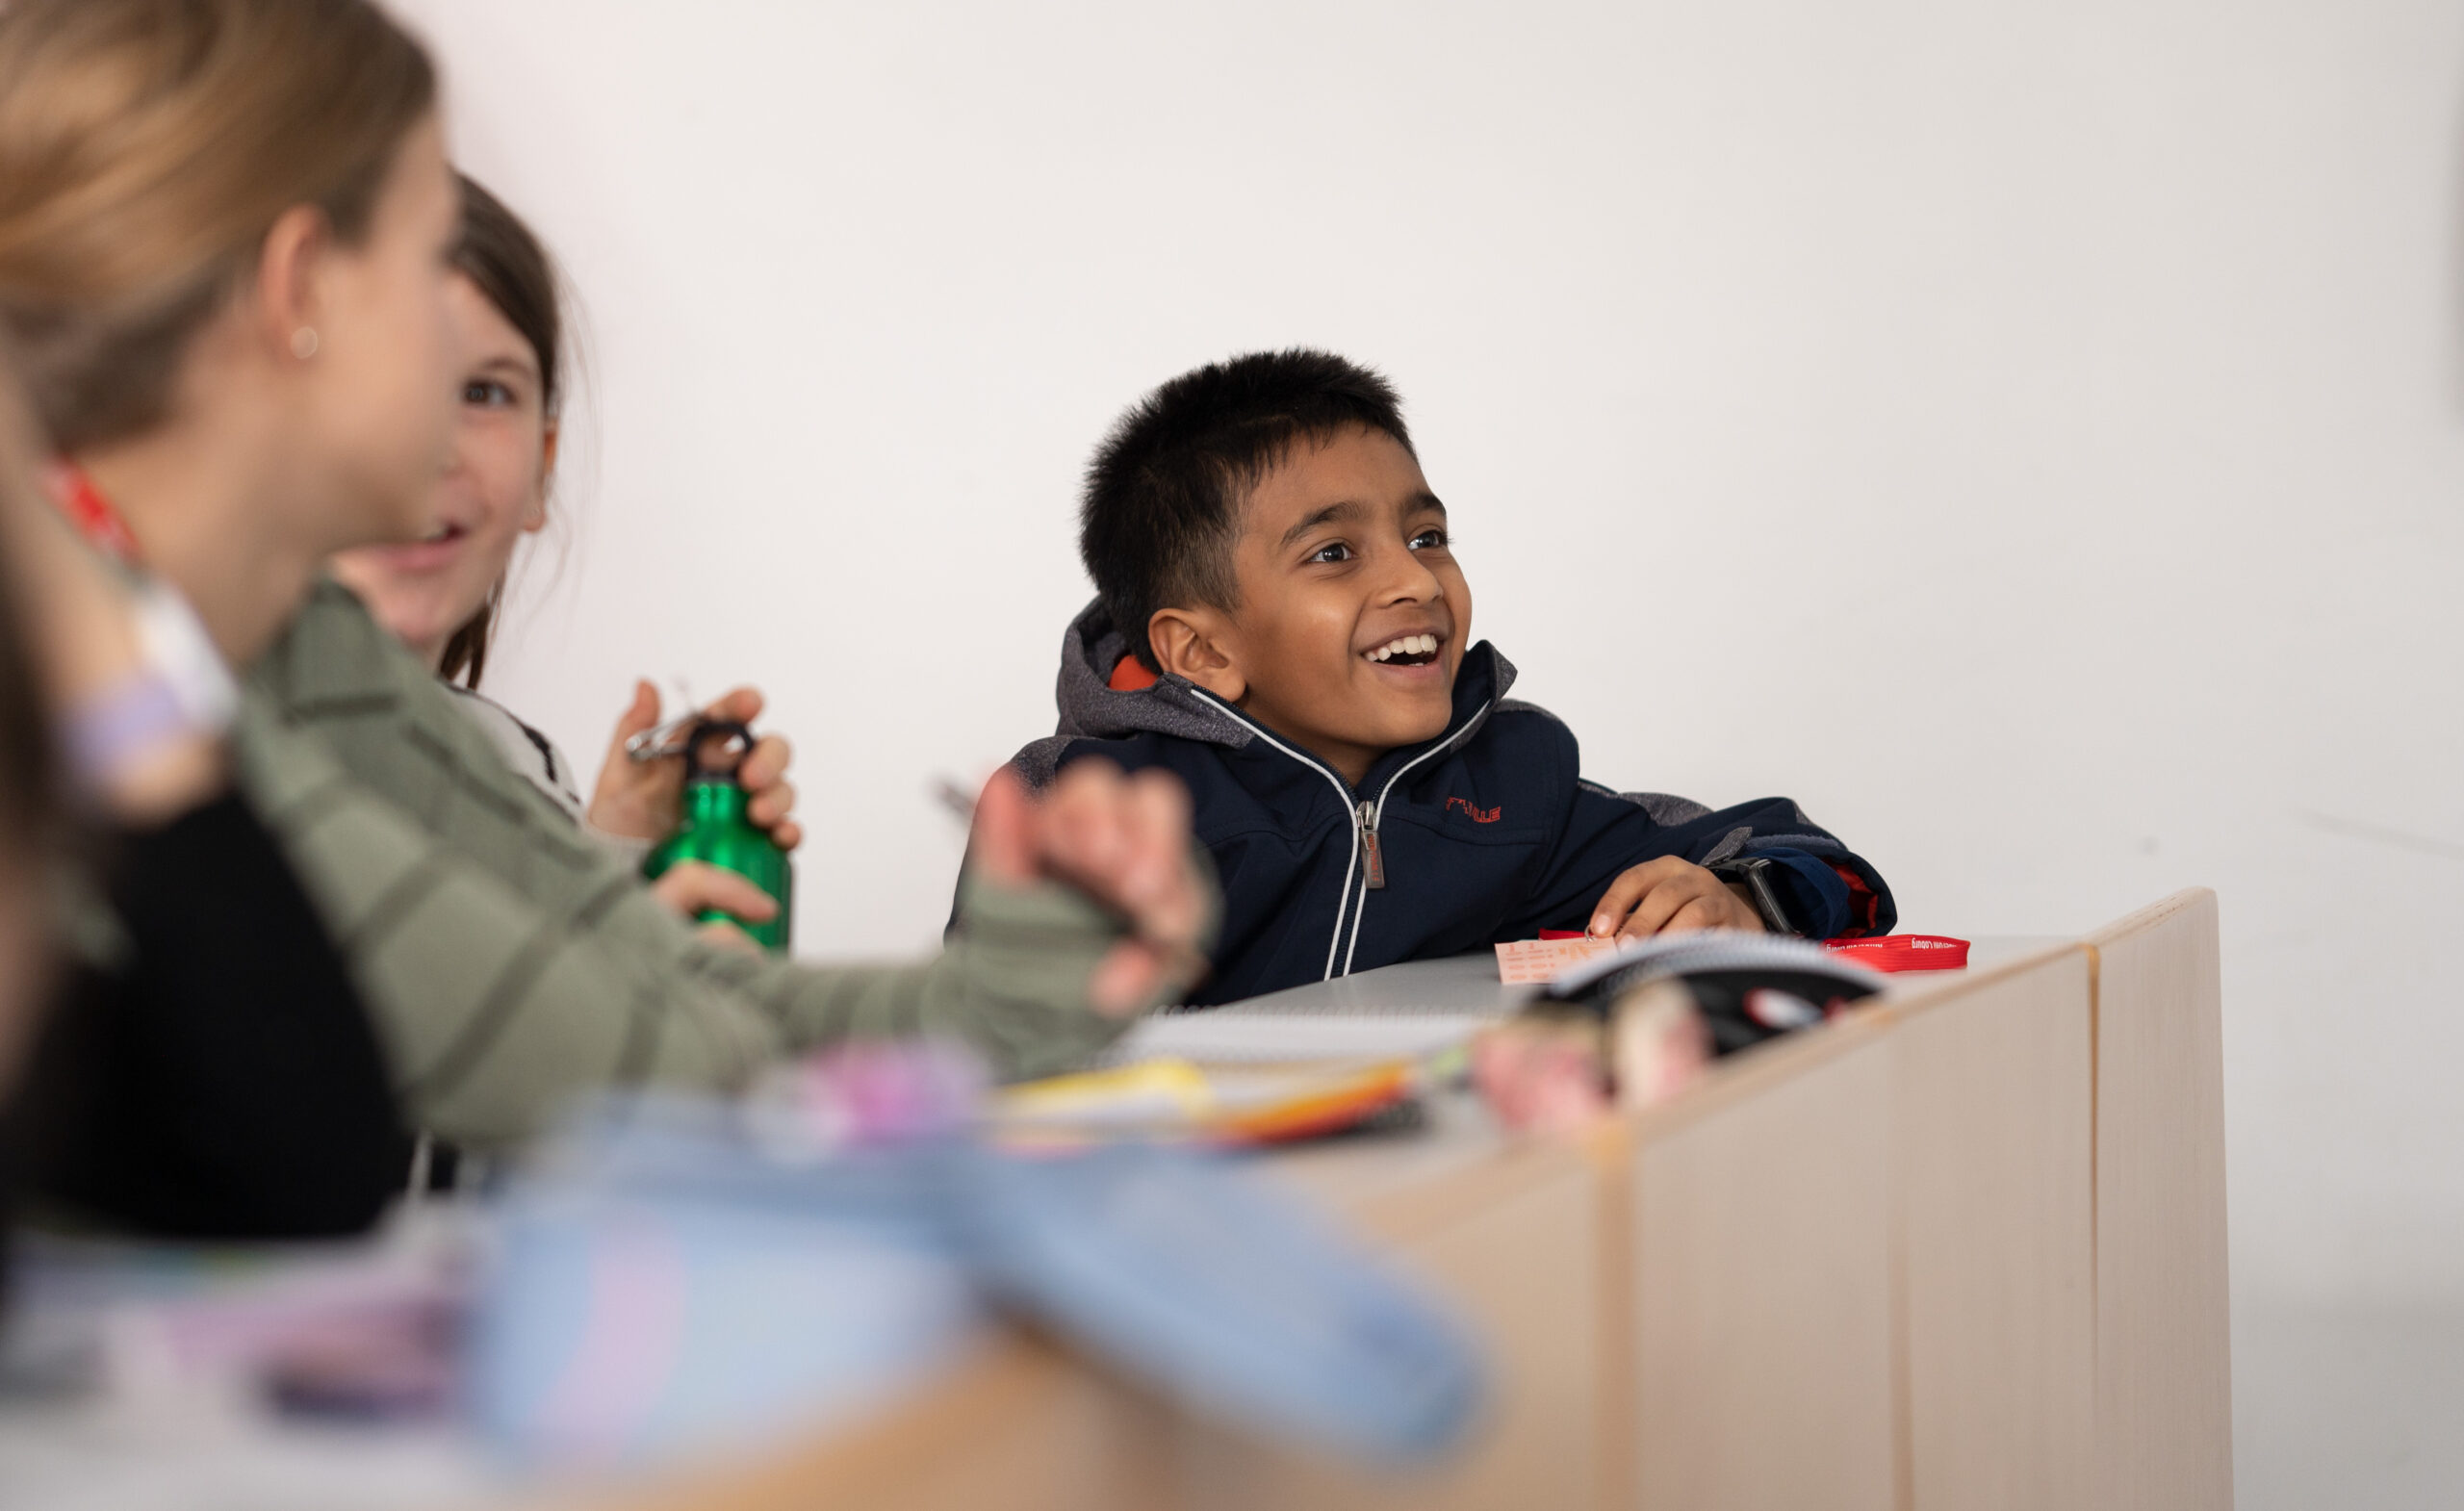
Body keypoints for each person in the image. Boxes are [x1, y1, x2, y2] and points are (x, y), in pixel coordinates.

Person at [0, 0, 1214, 1169]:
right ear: (301, 289)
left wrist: (1014, 986)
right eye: (432, 260)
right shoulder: (75, 665)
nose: (457, 341)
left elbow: (673, 994)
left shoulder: (306, 652)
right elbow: (648, 1060)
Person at [1015, 348, 1893, 1006]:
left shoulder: (1515, 793)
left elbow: (1831, 873)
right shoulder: (1093, 810)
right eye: (1333, 553)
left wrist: (1742, 898)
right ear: (1204, 652)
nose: (1414, 580)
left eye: (1426, 537)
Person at [329, 174, 795, 944]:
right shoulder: (169, 754)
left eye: (483, 392)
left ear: (543, 467)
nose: (433, 448)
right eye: (378, 386)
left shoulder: (518, 763)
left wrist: (616, 853)